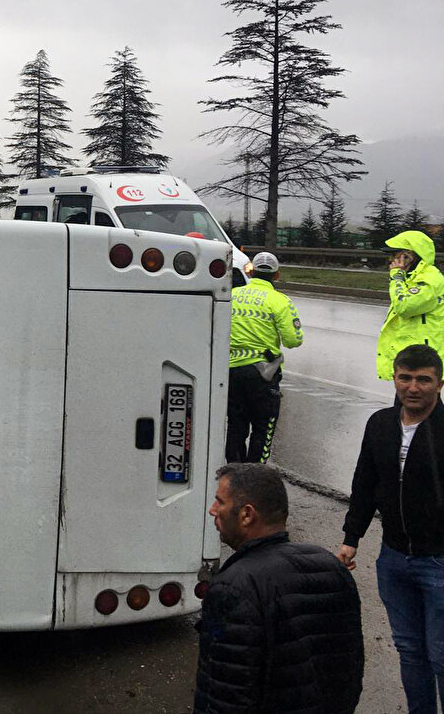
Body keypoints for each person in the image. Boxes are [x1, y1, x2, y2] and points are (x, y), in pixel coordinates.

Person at [195, 463, 363, 713]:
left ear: (247, 515)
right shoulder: (332, 568)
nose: (212, 510)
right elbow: (350, 671)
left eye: (220, 502)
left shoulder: (232, 589)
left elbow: (225, 695)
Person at [339, 343, 444, 713]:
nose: (413, 387)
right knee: (410, 650)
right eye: (406, 378)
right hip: (394, 560)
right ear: (395, 378)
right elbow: (364, 483)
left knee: (442, 655)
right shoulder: (380, 424)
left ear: (439, 384)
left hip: (439, 563)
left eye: (423, 380)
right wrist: (352, 538)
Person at [226, 251, 303, 463]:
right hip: (263, 375)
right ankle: (255, 479)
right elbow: (293, 340)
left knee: (235, 426)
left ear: (250, 271)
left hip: (231, 371)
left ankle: (233, 475)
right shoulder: (280, 301)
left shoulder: (233, 295)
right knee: (263, 428)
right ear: (276, 276)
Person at [377, 231, 444, 384]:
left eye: (395, 255)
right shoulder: (412, 278)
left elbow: (405, 306)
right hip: (411, 360)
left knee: (421, 404)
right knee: (405, 406)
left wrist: (396, 277)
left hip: (423, 362)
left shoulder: (430, 279)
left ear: (409, 256)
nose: (390, 260)